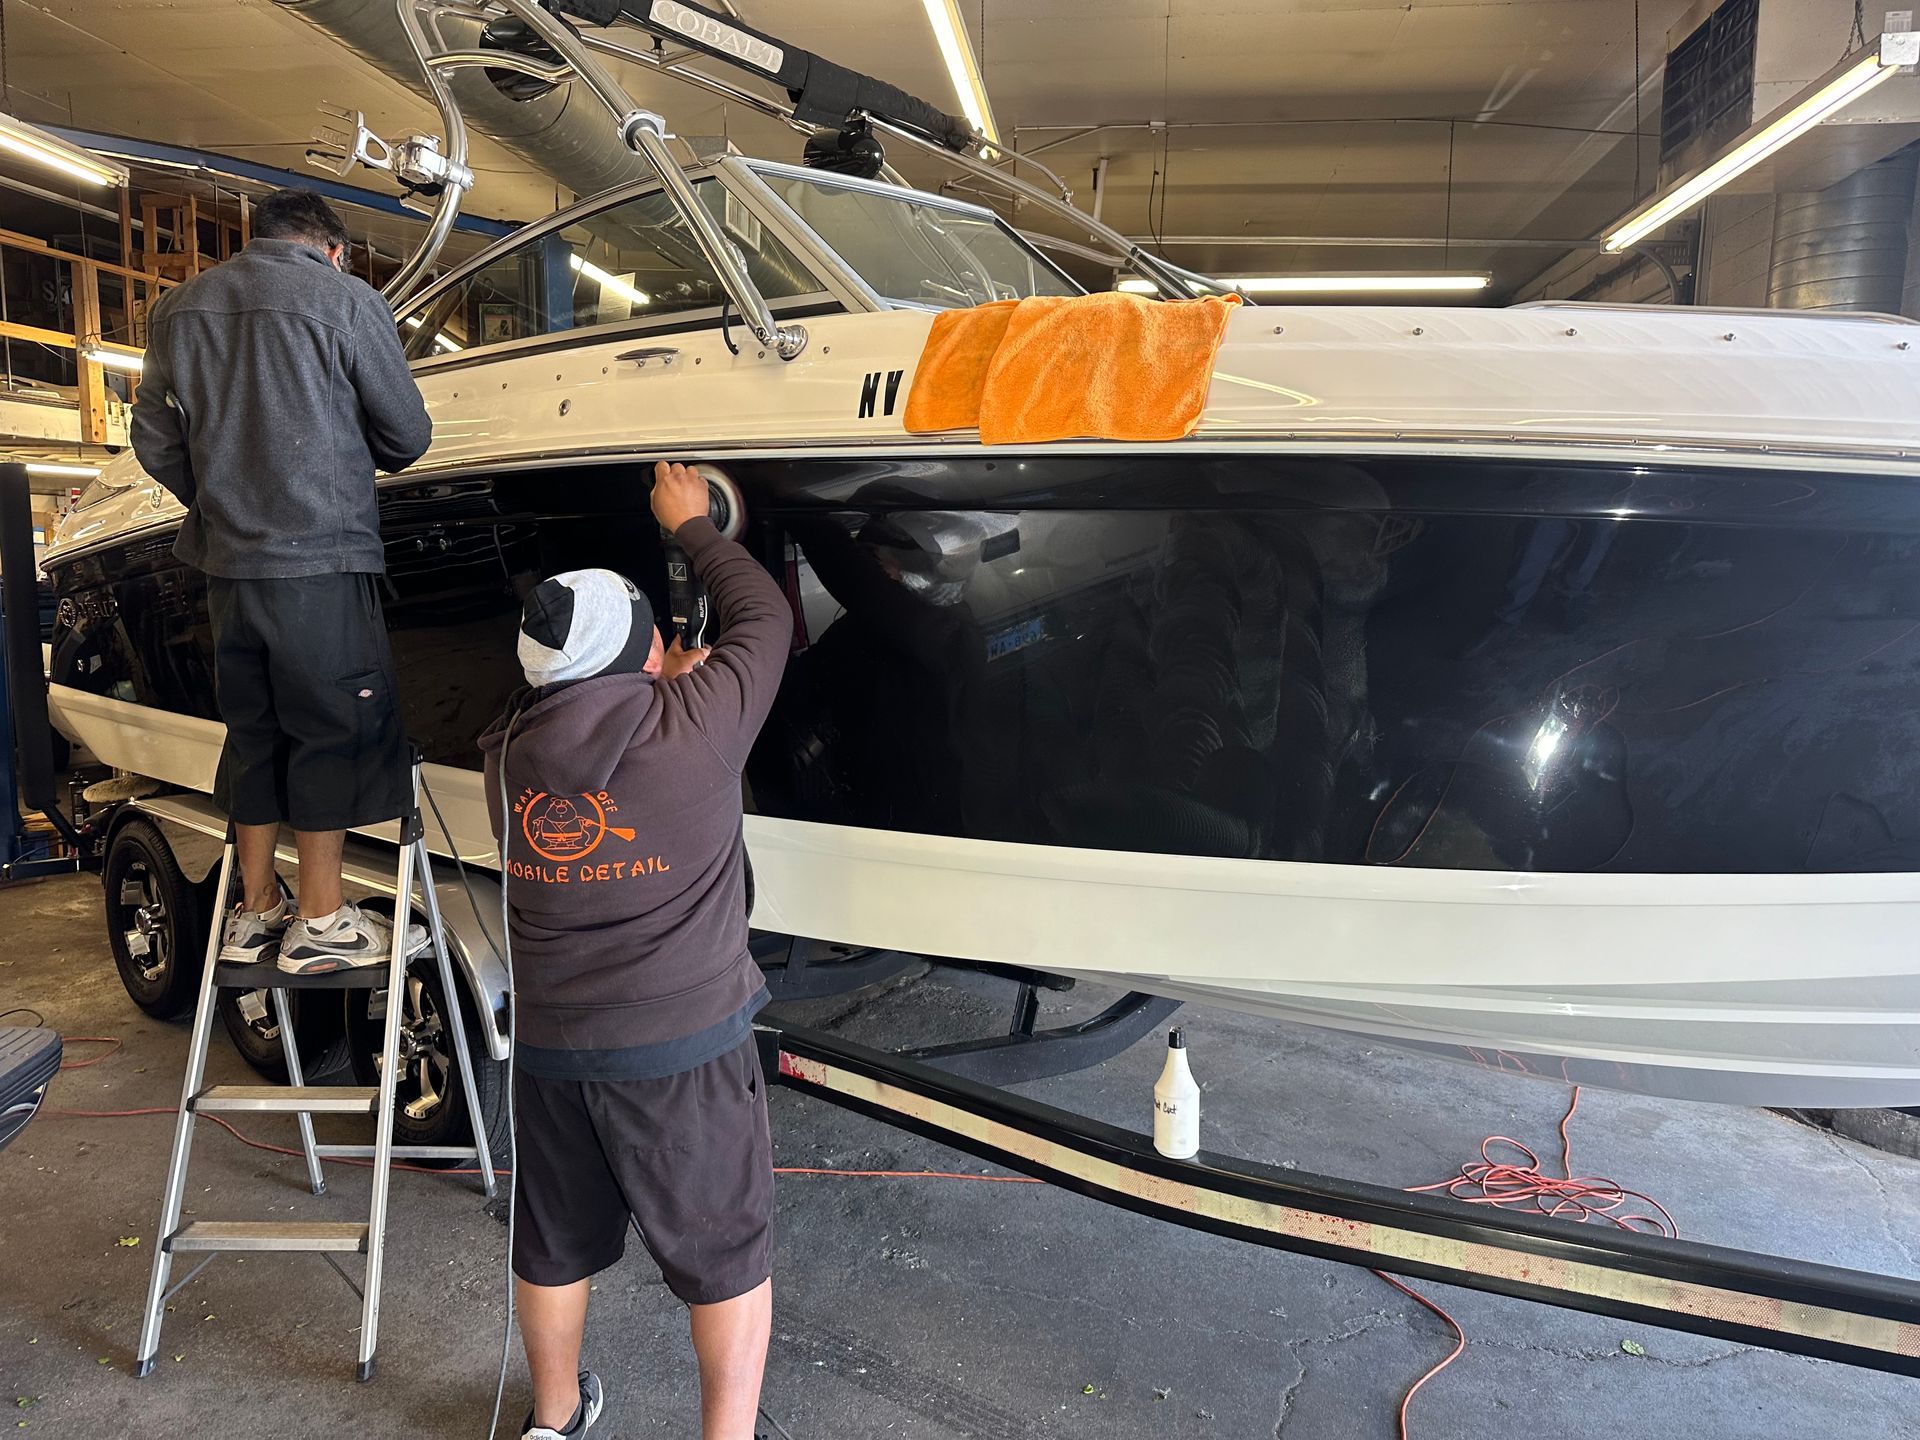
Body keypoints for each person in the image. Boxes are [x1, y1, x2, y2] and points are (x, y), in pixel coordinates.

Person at [477, 461, 789, 1440]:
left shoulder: (506, 758)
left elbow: (592, 727)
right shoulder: (694, 729)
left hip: (556, 1056)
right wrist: (694, 527)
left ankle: (555, 1420)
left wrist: (658, 682)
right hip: (683, 1052)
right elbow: (767, 621)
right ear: (647, 658)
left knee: (555, 1245)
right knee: (726, 1254)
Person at [130, 188, 433, 974]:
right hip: (322, 565)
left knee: (255, 733)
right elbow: (407, 437)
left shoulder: (177, 309)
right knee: (331, 729)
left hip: (227, 571)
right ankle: (325, 921)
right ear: (333, 248)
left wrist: (222, 500)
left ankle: (257, 907)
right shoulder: (346, 299)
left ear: (254, 240)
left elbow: (153, 439)